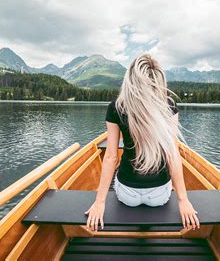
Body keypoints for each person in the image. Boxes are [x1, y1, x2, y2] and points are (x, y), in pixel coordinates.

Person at [84, 53, 200, 232]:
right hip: (159, 195)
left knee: (118, 172)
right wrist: (183, 201)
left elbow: (111, 157)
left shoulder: (117, 106)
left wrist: (100, 203)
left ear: (130, 79)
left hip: (127, 194)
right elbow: (172, 155)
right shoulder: (168, 104)